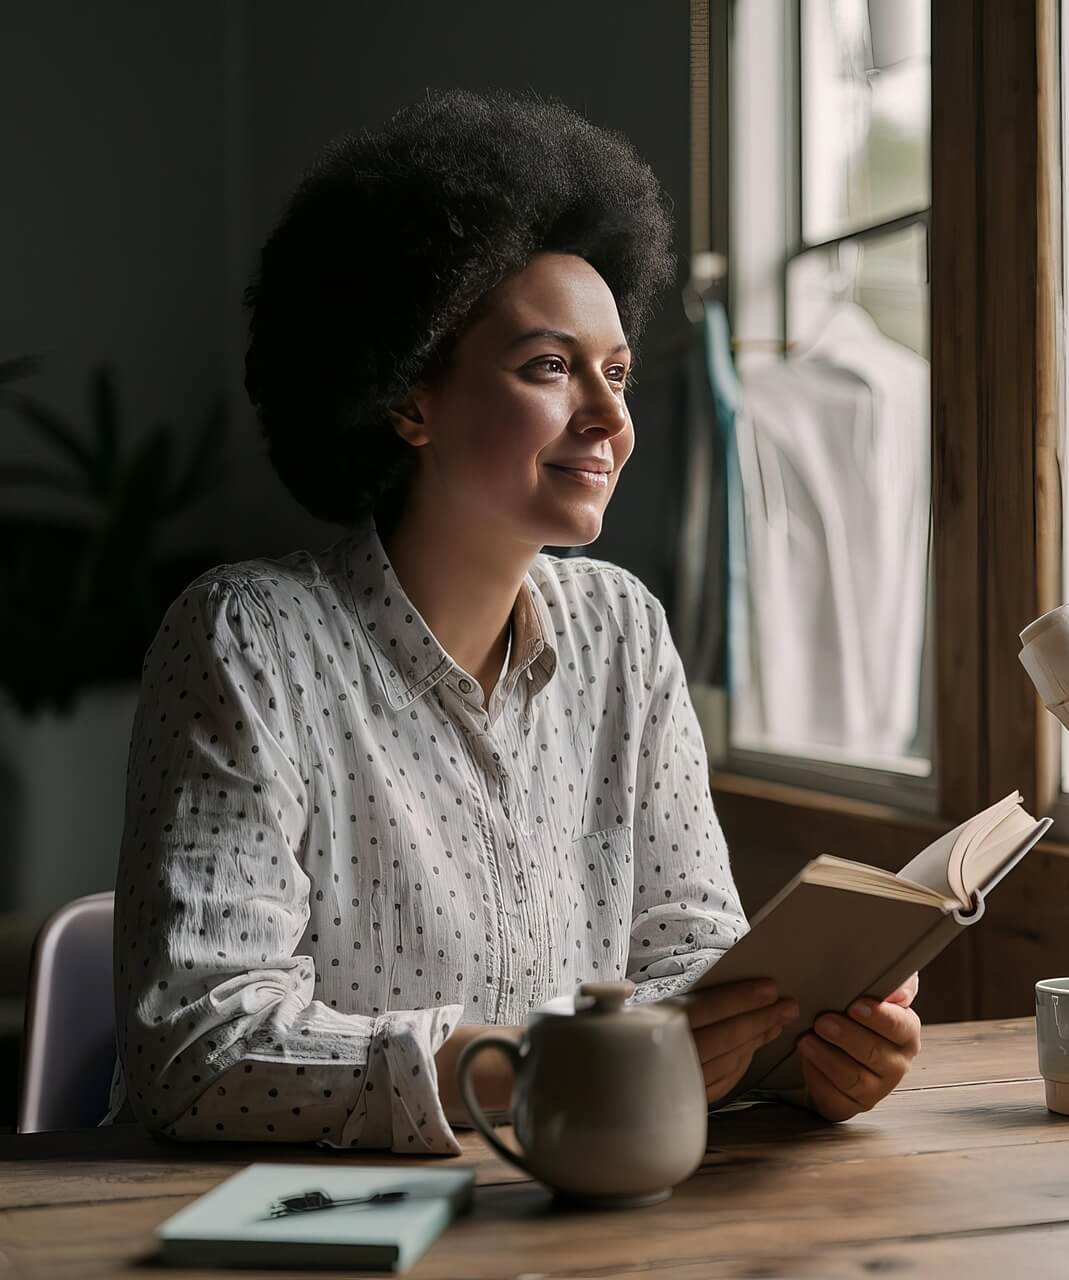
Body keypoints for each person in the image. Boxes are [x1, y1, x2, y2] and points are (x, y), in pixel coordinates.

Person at [104, 88, 921, 1153]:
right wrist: (525, 1069)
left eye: (616, 372)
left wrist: (799, 1049)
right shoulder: (246, 638)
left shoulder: (624, 630)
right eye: (549, 366)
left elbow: (686, 954)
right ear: (409, 398)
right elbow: (197, 1045)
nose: (610, 416)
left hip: (566, 1216)